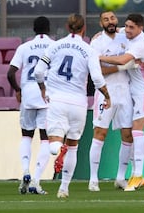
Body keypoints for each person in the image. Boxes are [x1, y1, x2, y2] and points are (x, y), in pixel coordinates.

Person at [34, 13, 111, 198]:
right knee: (73, 145)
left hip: (57, 101)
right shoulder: (89, 49)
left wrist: (43, 88)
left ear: (68, 28)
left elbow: (38, 72)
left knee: (54, 144)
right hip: (78, 103)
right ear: (84, 28)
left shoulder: (54, 46)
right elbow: (98, 77)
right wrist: (107, 95)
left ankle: (56, 149)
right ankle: (64, 189)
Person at [99, 13, 144, 192]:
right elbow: (116, 29)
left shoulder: (140, 43)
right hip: (134, 90)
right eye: (127, 26)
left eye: (132, 27)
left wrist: (98, 57)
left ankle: (138, 176)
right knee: (132, 133)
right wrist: (99, 35)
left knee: (137, 131)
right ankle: (131, 175)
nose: (128, 30)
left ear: (141, 28)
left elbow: (122, 60)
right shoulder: (128, 32)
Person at [88, 11, 134, 192]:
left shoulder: (125, 36)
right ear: (101, 23)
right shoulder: (97, 42)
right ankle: (93, 179)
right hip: (105, 91)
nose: (110, 21)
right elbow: (98, 70)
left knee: (128, 134)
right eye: (106, 19)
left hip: (125, 91)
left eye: (113, 18)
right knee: (100, 133)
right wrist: (121, 66)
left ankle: (121, 177)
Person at [7, 16, 53, 195]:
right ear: (49, 29)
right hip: (47, 94)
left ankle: (25, 170)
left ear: (34, 29)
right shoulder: (54, 46)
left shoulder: (24, 47)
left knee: (26, 135)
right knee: (45, 139)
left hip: (28, 95)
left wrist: (18, 90)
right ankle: (36, 180)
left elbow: (10, 73)